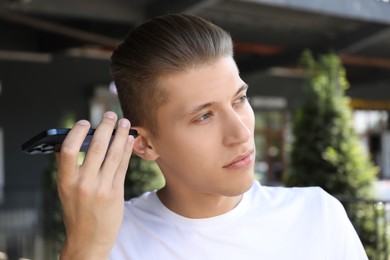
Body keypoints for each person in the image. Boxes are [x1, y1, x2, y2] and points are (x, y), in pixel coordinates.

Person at [56, 14, 368, 259]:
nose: (242, 133)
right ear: (144, 144)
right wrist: (83, 252)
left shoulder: (318, 216)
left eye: (239, 99)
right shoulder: (108, 241)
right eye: (204, 116)